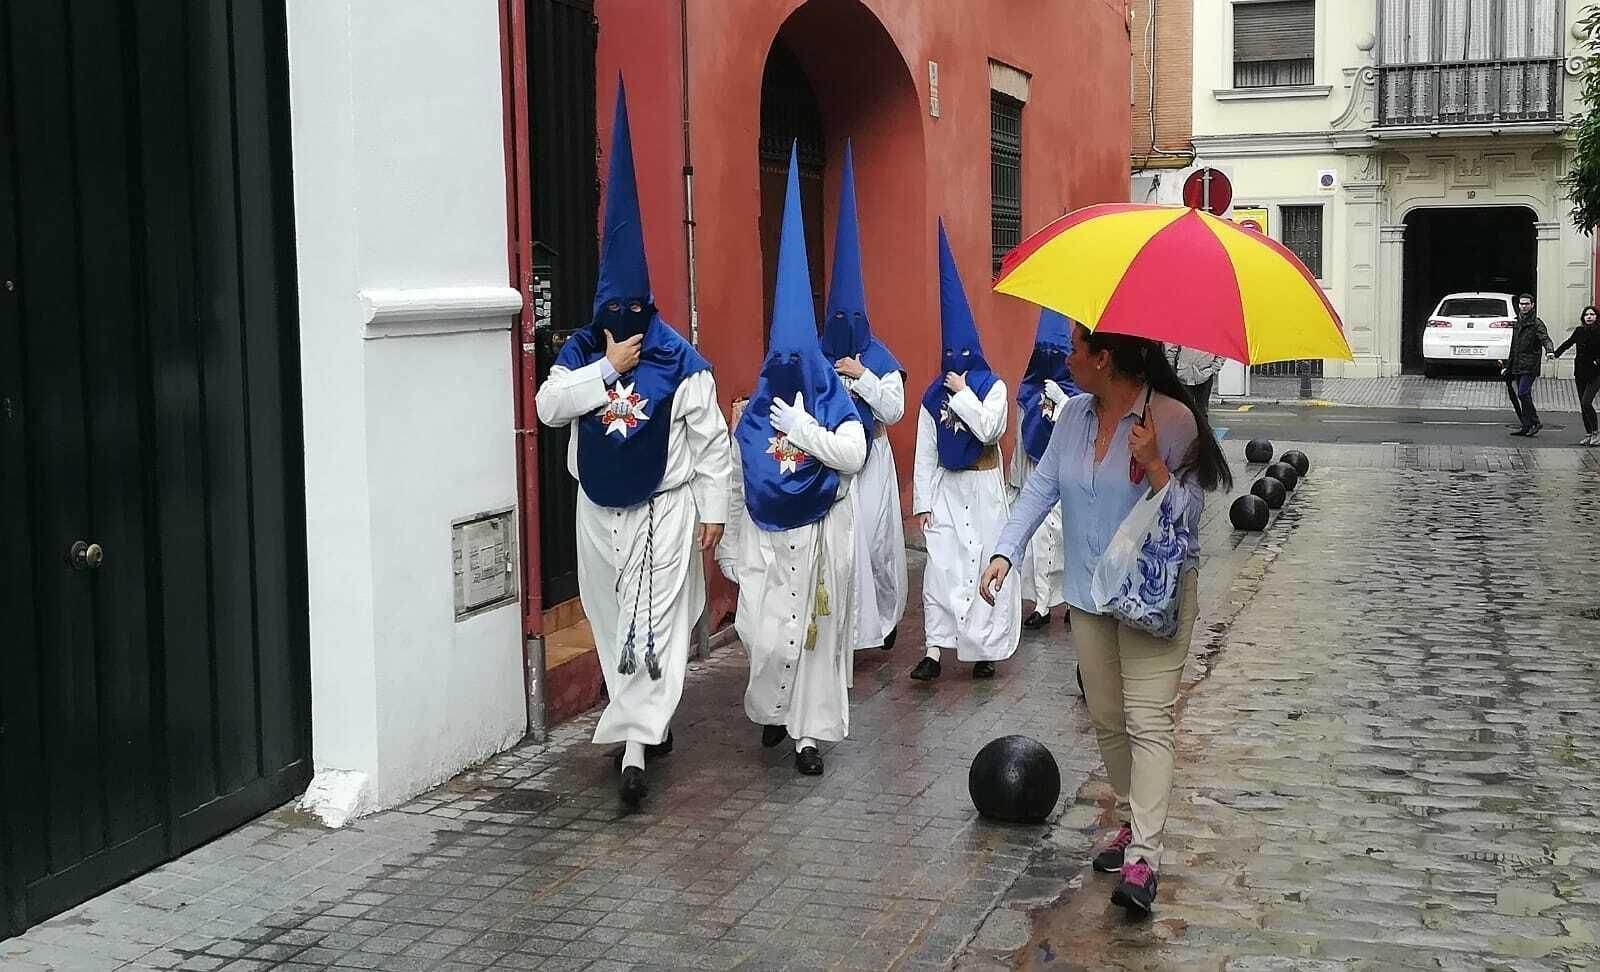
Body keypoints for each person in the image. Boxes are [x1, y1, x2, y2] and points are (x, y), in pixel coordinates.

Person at [981, 325, 1233, 916]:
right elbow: (1041, 488)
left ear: (1105, 359)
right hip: (1091, 596)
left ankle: (1145, 855)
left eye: (1074, 349)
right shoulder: (1072, 417)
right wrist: (1004, 551)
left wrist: (1154, 467)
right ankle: (1128, 815)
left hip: (1156, 595)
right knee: (1106, 717)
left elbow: (1190, 519)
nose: (1065, 358)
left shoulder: (1173, 422)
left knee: (1148, 720)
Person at [535, 80, 732, 807]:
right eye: (611, 313)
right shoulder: (585, 349)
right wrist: (602, 371)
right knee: (611, 619)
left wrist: (714, 509)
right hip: (598, 509)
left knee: (655, 622)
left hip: (662, 509)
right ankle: (644, 724)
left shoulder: (680, 359)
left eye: (632, 316)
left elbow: (711, 441)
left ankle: (634, 751)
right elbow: (550, 407)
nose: (622, 322)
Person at [716, 145, 866, 777]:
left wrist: (805, 429)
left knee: (816, 637)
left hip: (822, 536)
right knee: (766, 631)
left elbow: (851, 455)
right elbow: (738, 469)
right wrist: (730, 527)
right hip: (771, 543)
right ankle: (775, 713)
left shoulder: (831, 400)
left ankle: (808, 735)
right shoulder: (757, 408)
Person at [910, 220, 1022, 681]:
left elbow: (991, 430)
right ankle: (935, 649)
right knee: (941, 569)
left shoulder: (991, 387)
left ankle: (984, 649)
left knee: (982, 565)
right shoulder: (933, 395)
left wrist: (962, 394)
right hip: (949, 491)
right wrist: (922, 501)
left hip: (984, 485)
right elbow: (925, 447)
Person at [821, 142, 908, 655]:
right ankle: (850, 634)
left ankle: (887, 616)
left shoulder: (880, 355)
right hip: (833, 464)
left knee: (877, 548)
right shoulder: (816, 352)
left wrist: (863, 376)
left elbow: (894, 410)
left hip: (873, 459)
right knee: (842, 550)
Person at [1010, 309, 1077, 630]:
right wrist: (1016, 480)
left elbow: (1084, 433)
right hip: (1039, 475)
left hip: (1071, 478)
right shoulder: (1026, 394)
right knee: (1039, 542)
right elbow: (1021, 437)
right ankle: (1041, 602)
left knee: (1071, 541)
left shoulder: (1079, 397)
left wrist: (1062, 400)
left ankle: (1073, 602)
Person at [1507, 293, 1555, 437]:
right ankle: (1526, 425)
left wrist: (1550, 351)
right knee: (1523, 395)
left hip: (1530, 364)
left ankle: (1535, 421)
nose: (1523, 306)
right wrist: (1508, 365)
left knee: (1522, 392)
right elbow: (1514, 346)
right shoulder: (1517, 322)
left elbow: (1545, 338)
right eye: (1521, 304)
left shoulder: (1536, 323)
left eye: (1526, 304)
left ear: (1532, 305)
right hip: (1517, 364)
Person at [1553, 304, 1600, 446]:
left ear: (1596, 317)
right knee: (1582, 405)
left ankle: (1596, 433)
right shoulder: (1579, 331)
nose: (1589, 317)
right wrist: (1555, 354)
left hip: (1596, 373)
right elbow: (1568, 343)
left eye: (1592, 314)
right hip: (1580, 371)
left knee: (1587, 402)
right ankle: (1589, 434)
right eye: (1586, 315)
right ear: (1583, 317)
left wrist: (1597, 362)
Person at [1164, 344, 1225, 419]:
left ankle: (1202, 430)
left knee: (1202, 411)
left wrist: (1212, 369)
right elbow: (1171, 350)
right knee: (1184, 411)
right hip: (1183, 374)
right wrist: (1172, 371)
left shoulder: (1214, 333)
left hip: (1204, 376)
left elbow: (1222, 352)